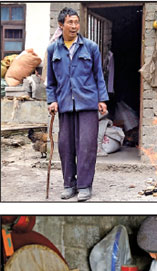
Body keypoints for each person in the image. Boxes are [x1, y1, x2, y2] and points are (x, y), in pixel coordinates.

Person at [46, 7, 109, 202]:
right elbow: (51, 80)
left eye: (76, 22)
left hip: (88, 103)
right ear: (61, 25)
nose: (74, 26)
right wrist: (52, 100)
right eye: (70, 22)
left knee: (87, 146)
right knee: (65, 146)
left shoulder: (90, 47)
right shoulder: (52, 49)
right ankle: (69, 185)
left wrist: (102, 99)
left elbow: (99, 75)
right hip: (65, 104)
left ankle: (84, 186)